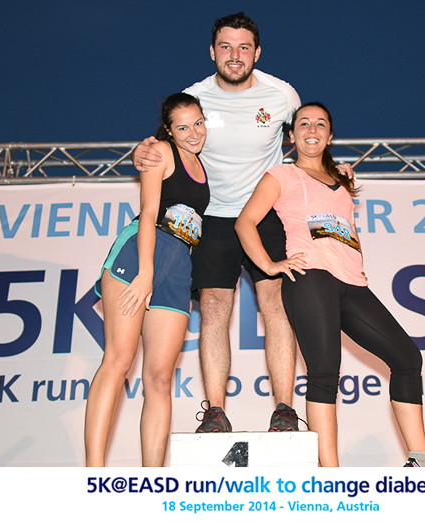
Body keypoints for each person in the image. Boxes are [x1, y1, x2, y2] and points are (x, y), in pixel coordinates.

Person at [133, 13, 321, 433]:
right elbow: (163, 145)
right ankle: (215, 413)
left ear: (257, 52)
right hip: (213, 217)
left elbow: (309, 138)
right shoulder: (194, 96)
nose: (234, 55)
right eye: (225, 46)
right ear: (212, 51)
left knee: (277, 306)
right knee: (215, 309)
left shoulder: (282, 95)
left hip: (265, 215)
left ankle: (284, 410)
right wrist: (139, 153)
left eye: (243, 47)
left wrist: (331, 170)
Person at [235, 102, 425, 467]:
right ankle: (330, 473)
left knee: (408, 358)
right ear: (291, 135)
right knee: (325, 372)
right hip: (310, 277)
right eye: (303, 124)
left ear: (330, 136)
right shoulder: (282, 175)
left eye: (320, 124)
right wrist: (269, 265)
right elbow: (244, 222)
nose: (311, 130)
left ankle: (422, 461)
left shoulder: (342, 180)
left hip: (352, 282)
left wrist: (341, 177)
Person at [84, 93, 209, 466]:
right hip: (140, 258)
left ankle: (153, 479)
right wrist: (145, 274)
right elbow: (150, 212)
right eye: (183, 127)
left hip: (177, 268)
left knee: (159, 379)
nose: (193, 133)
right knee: (119, 359)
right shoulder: (160, 153)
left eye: (198, 123)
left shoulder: (203, 163)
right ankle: (92, 473)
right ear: (168, 130)